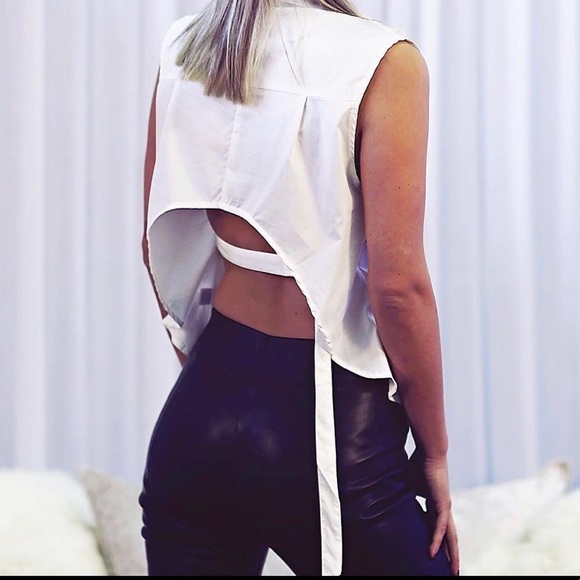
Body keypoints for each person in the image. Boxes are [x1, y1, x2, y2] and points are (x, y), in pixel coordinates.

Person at [139, 0, 460, 576]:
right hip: (330, 430)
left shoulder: (187, 47)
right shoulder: (385, 62)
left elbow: (154, 245)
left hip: (200, 408)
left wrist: (212, 377)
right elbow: (398, 291)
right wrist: (434, 453)